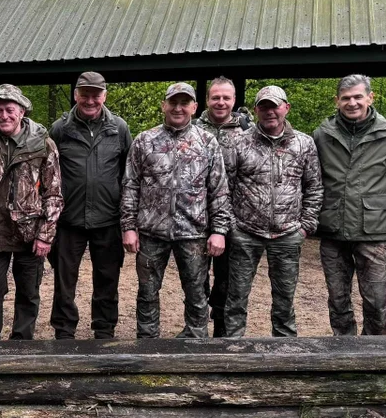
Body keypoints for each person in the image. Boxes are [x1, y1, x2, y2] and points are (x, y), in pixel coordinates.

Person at [121, 82, 231, 339]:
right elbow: (130, 185)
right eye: (173, 102)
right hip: (151, 232)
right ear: (164, 105)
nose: (178, 108)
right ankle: (147, 344)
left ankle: (195, 343)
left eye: (184, 103)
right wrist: (128, 226)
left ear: (194, 107)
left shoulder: (207, 142)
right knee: (147, 293)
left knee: (196, 293)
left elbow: (219, 189)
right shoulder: (144, 140)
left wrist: (219, 231)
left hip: (193, 232)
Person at [224, 85, 323, 338]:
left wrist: (305, 226)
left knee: (285, 298)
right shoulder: (239, 143)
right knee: (236, 296)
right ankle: (231, 348)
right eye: (264, 106)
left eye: (275, 106)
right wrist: (233, 226)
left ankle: (284, 348)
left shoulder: (304, 143)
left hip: (288, 233)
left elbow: (314, 186)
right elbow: (225, 187)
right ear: (256, 110)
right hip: (246, 233)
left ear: (286, 108)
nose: (270, 111)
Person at [313, 74, 386, 336]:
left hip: (375, 232)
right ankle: (344, 351)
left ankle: (375, 354)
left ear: (370, 97)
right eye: (346, 98)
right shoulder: (322, 135)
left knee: (376, 301)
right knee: (338, 300)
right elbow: (313, 179)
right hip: (333, 230)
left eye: (357, 97)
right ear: (337, 101)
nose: (352, 103)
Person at [48, 72, 132, 339]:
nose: (90, 100)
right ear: (76, 95)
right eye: (85, 94)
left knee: (108, 278)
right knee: (64, 280)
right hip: (68, 219)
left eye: (96, 94)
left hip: (107, 218)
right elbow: (49, 172)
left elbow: (128, 173)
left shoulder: (118, 128)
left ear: (104, 96)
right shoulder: (60, 129)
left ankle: (104, 329)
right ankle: (64, 330)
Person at [0, 85, 63, 340]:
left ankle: (22, 343)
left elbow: (54, 192)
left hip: (30, 233)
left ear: (22, 111)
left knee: (28, 292)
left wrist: (46, 235)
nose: (4, 116)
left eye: (9, 110)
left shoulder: (42, 143)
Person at [193, 76, 251, 337]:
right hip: (197, 217)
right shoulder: (193, 128)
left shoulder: (248, 132)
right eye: (215, 97)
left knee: (229, 279)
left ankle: (223, 329)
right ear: (207, 100)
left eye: (226, 97)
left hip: (235, 220)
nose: (221, 102)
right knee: (196, 278)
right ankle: (196, 328)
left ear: (234, 100)